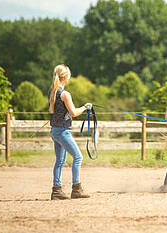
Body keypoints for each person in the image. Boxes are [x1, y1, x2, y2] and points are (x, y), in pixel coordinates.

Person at [48, 64, 92, 200]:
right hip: (63, 132)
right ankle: (76, 189)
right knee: (78, 157)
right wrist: (85, 107)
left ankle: (56, 190)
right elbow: (73, 113)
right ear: (65, 77)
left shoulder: (53, 92)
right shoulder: (65, 94)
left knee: (60, 161)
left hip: (55, 130)